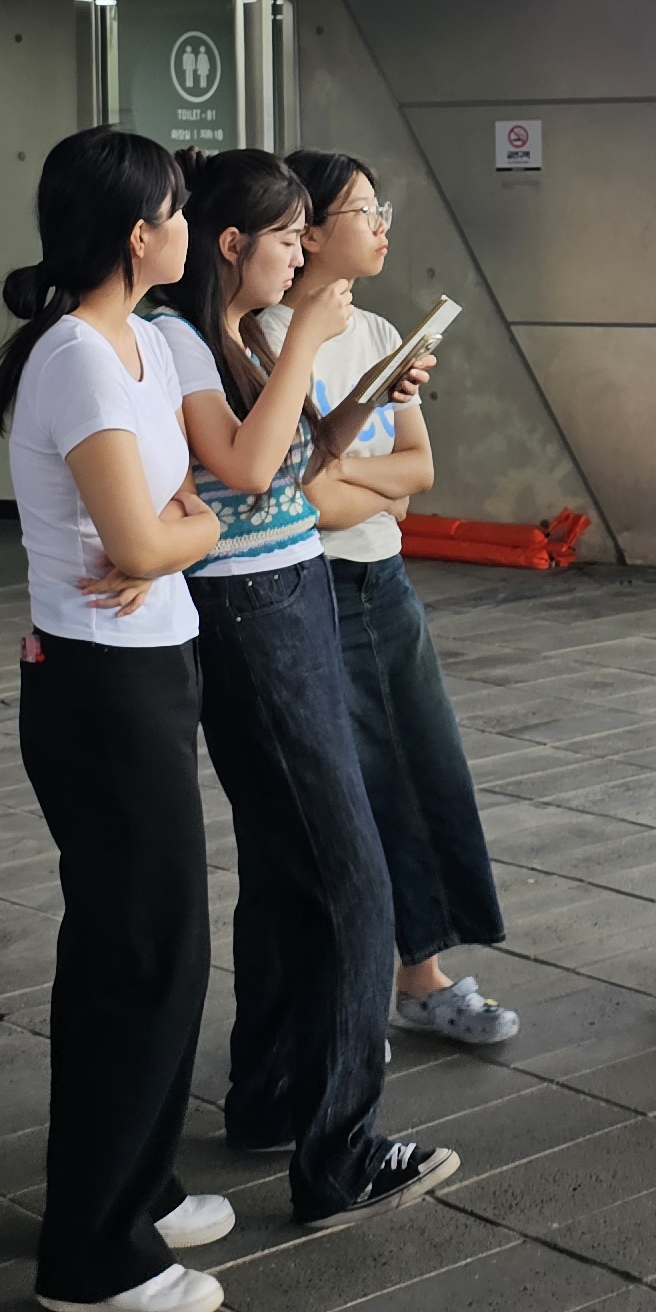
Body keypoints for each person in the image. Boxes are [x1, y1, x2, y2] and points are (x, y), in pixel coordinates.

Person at [146, 149, 456, 1229]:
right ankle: (341, 1152)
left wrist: (359, 393)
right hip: (253, 612)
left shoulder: (227, 333)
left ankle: (274, 1097)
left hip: (282, 593)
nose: (297, 255)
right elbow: (241, 470)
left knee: (290, 869)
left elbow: (292, 460)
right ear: (233, 244)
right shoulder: (184, 337)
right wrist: (313, 344)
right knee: (350, 876)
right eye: (285, 236)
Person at [0, 128, 230, 1312]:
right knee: (144, 954)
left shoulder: (144, 341)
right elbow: (144, 535)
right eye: (176, 210)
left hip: (150, 663)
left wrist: (180, 528)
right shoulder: (78, 354)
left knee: (140, 948)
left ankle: (136, 1184)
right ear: (139, 233)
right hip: (97, 682)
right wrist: (187, 530)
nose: (187, 227)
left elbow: (178, 511)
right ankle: (92, 1255)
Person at [259, 149, 517, 1048]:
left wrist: (355, 483)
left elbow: (420, 474)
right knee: (350, 792)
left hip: (385, 579)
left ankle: (421, 976)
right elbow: (302, 497)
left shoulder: (376, 333)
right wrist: (367, 488)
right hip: (312, 585)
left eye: (382, 209)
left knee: (424, 766)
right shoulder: (264, 338)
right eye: (363, 210)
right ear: (308, 232)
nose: (381, 226)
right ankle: (359, 992)